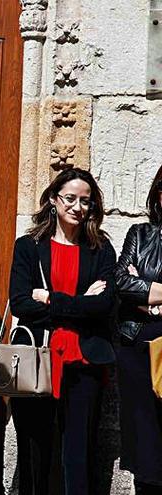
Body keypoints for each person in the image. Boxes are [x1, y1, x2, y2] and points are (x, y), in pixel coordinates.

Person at [8, 168, 115, 495]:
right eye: (70, 198)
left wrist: (51, 299)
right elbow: (21, 304)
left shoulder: (101, 250)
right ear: (54, 200)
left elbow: (103, 307)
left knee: (78, 452)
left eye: (85, 201)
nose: (78, 207)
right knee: (34, 450)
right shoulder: (28, 246)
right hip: (38, 359)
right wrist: (79, 303)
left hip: (84, 362)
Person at [114, 164, 162, 494]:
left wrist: (146, 289)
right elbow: (120, 282)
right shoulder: (141, 235)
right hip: (138, 348)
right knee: (145, 439)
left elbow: (134, 284)